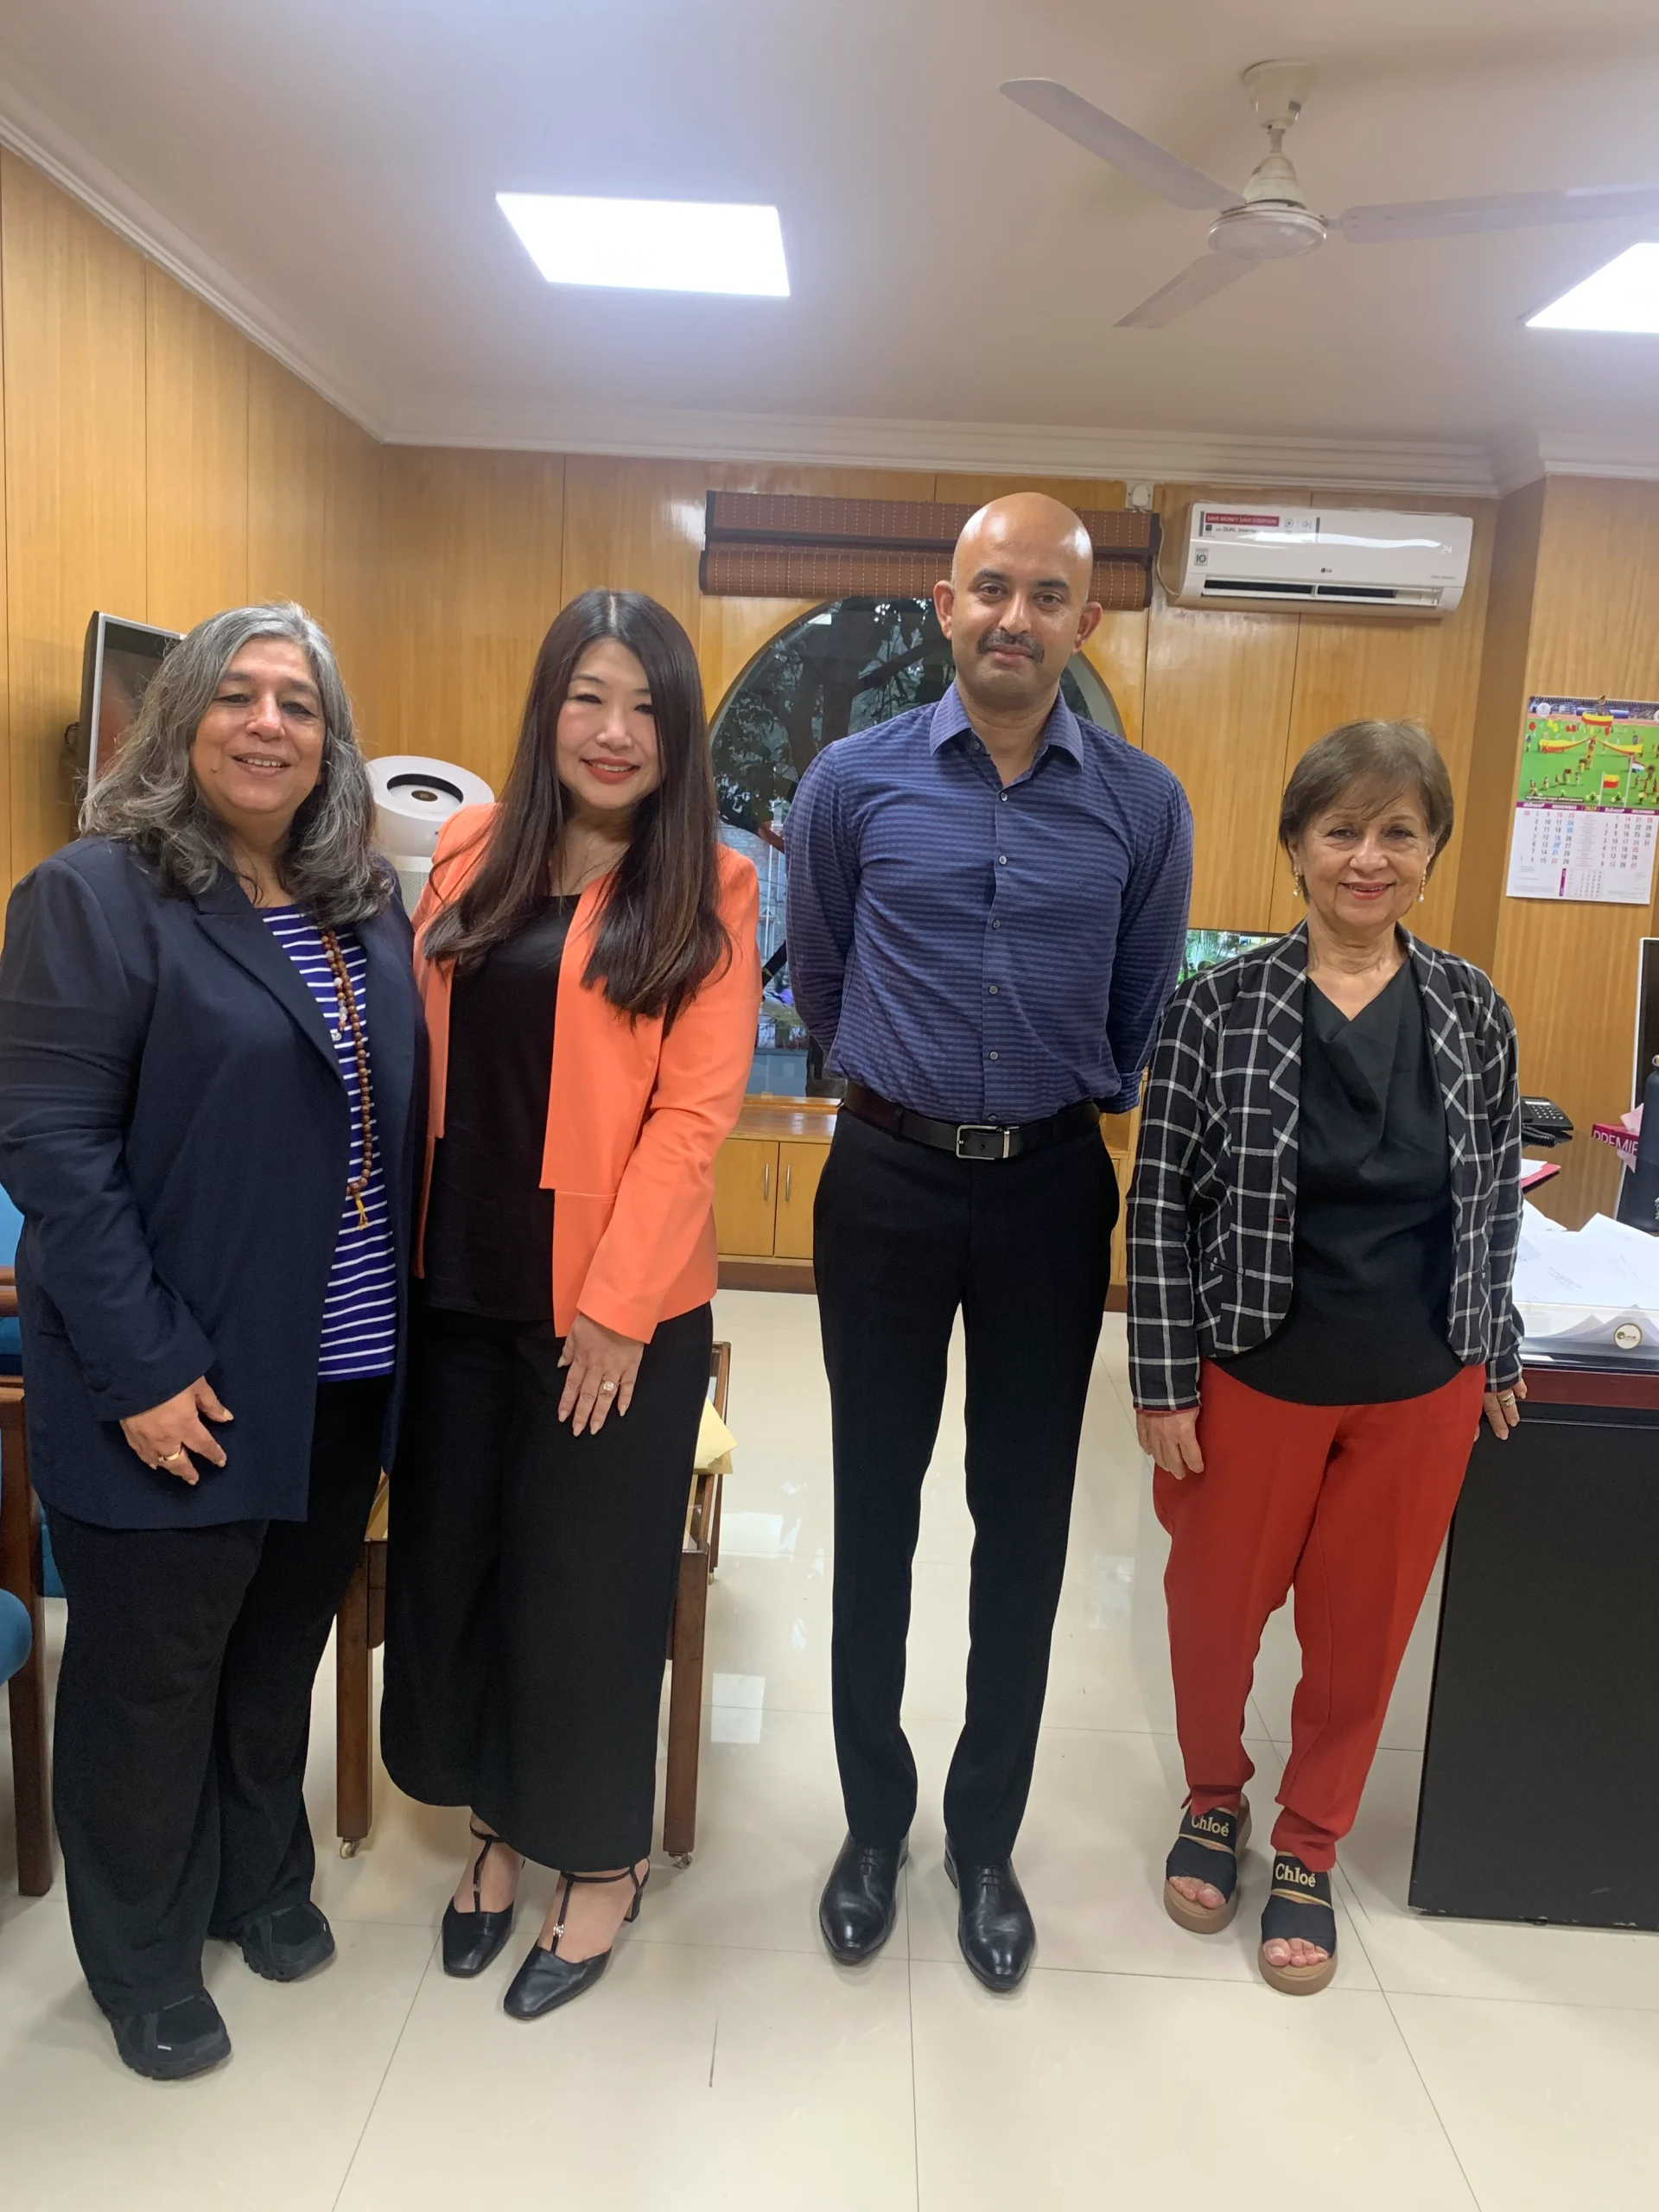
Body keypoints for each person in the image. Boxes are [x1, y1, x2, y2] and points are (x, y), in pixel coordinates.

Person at [0, 604, 421, 2079]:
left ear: (331, 742)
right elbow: (54, 1157)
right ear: (178, 719)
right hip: (176, 1377)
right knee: (151, 1677)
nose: (267, 723)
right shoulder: (92, 897)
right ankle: (142, 1958)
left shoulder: (360, 902)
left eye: (298, 703)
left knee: (274, 1649)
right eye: (236, 694)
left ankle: (258, 1875)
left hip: (340, 1375)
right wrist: (144, 1368)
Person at [786, 493, 1193, 1990]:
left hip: (1048, 1191)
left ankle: (983, 1840)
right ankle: (869, 1825)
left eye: (1048, 595)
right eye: (991, 588)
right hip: (885, 1183)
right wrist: (899, 1090)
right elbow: (821, 977)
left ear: (1089, 620)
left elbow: (1140, 1005)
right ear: (943, 604)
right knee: (874, 1512)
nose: (1015, 617)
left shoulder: (1144, 806)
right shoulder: (851, 781)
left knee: (1022, 1527)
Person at [382, 589, 760, 2021]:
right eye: (589, 697)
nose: (614, 731)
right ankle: (497, 1821)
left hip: (611, 1308)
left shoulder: (710, 886)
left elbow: (691, 1118)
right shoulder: (469, 851)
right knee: (464, 1567)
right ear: (548, 707)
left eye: (646, 707)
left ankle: (601, 1859)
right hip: (455, 1285)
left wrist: (614, 1310)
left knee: (585, 1593)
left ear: (678, 733)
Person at [1128, 719, 1523, 1996]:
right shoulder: (1217, 1006)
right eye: (1342, 829)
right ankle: (1214, 1796)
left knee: (1363, 1632)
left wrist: (1497, 1348)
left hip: (1420, 1379)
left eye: (1398, 832)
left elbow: (1493, 1203)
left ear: (1431, 851)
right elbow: (1159, 1205)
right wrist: (1161, 1379)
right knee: (1213, 1615)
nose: (1368, 858)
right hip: (1253, 1373)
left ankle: (1309, 1844)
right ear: (1296, 845)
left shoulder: (1472, 1008)